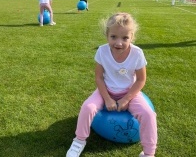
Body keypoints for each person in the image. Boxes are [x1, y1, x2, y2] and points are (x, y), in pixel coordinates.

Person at [66, 12, 157, 157]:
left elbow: (140, 80)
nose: (119, 43)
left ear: (132, 37)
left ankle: (149, 153)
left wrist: (126, 99)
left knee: (148, 114)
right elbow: (99, 78)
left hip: (129, 93)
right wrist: (107, 99)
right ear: (107, 35)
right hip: (106, 90)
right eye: (113, 37)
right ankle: (79, 141)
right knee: (87, 107)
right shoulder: (102, 51)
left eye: (125, 38)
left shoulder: (137, 53)